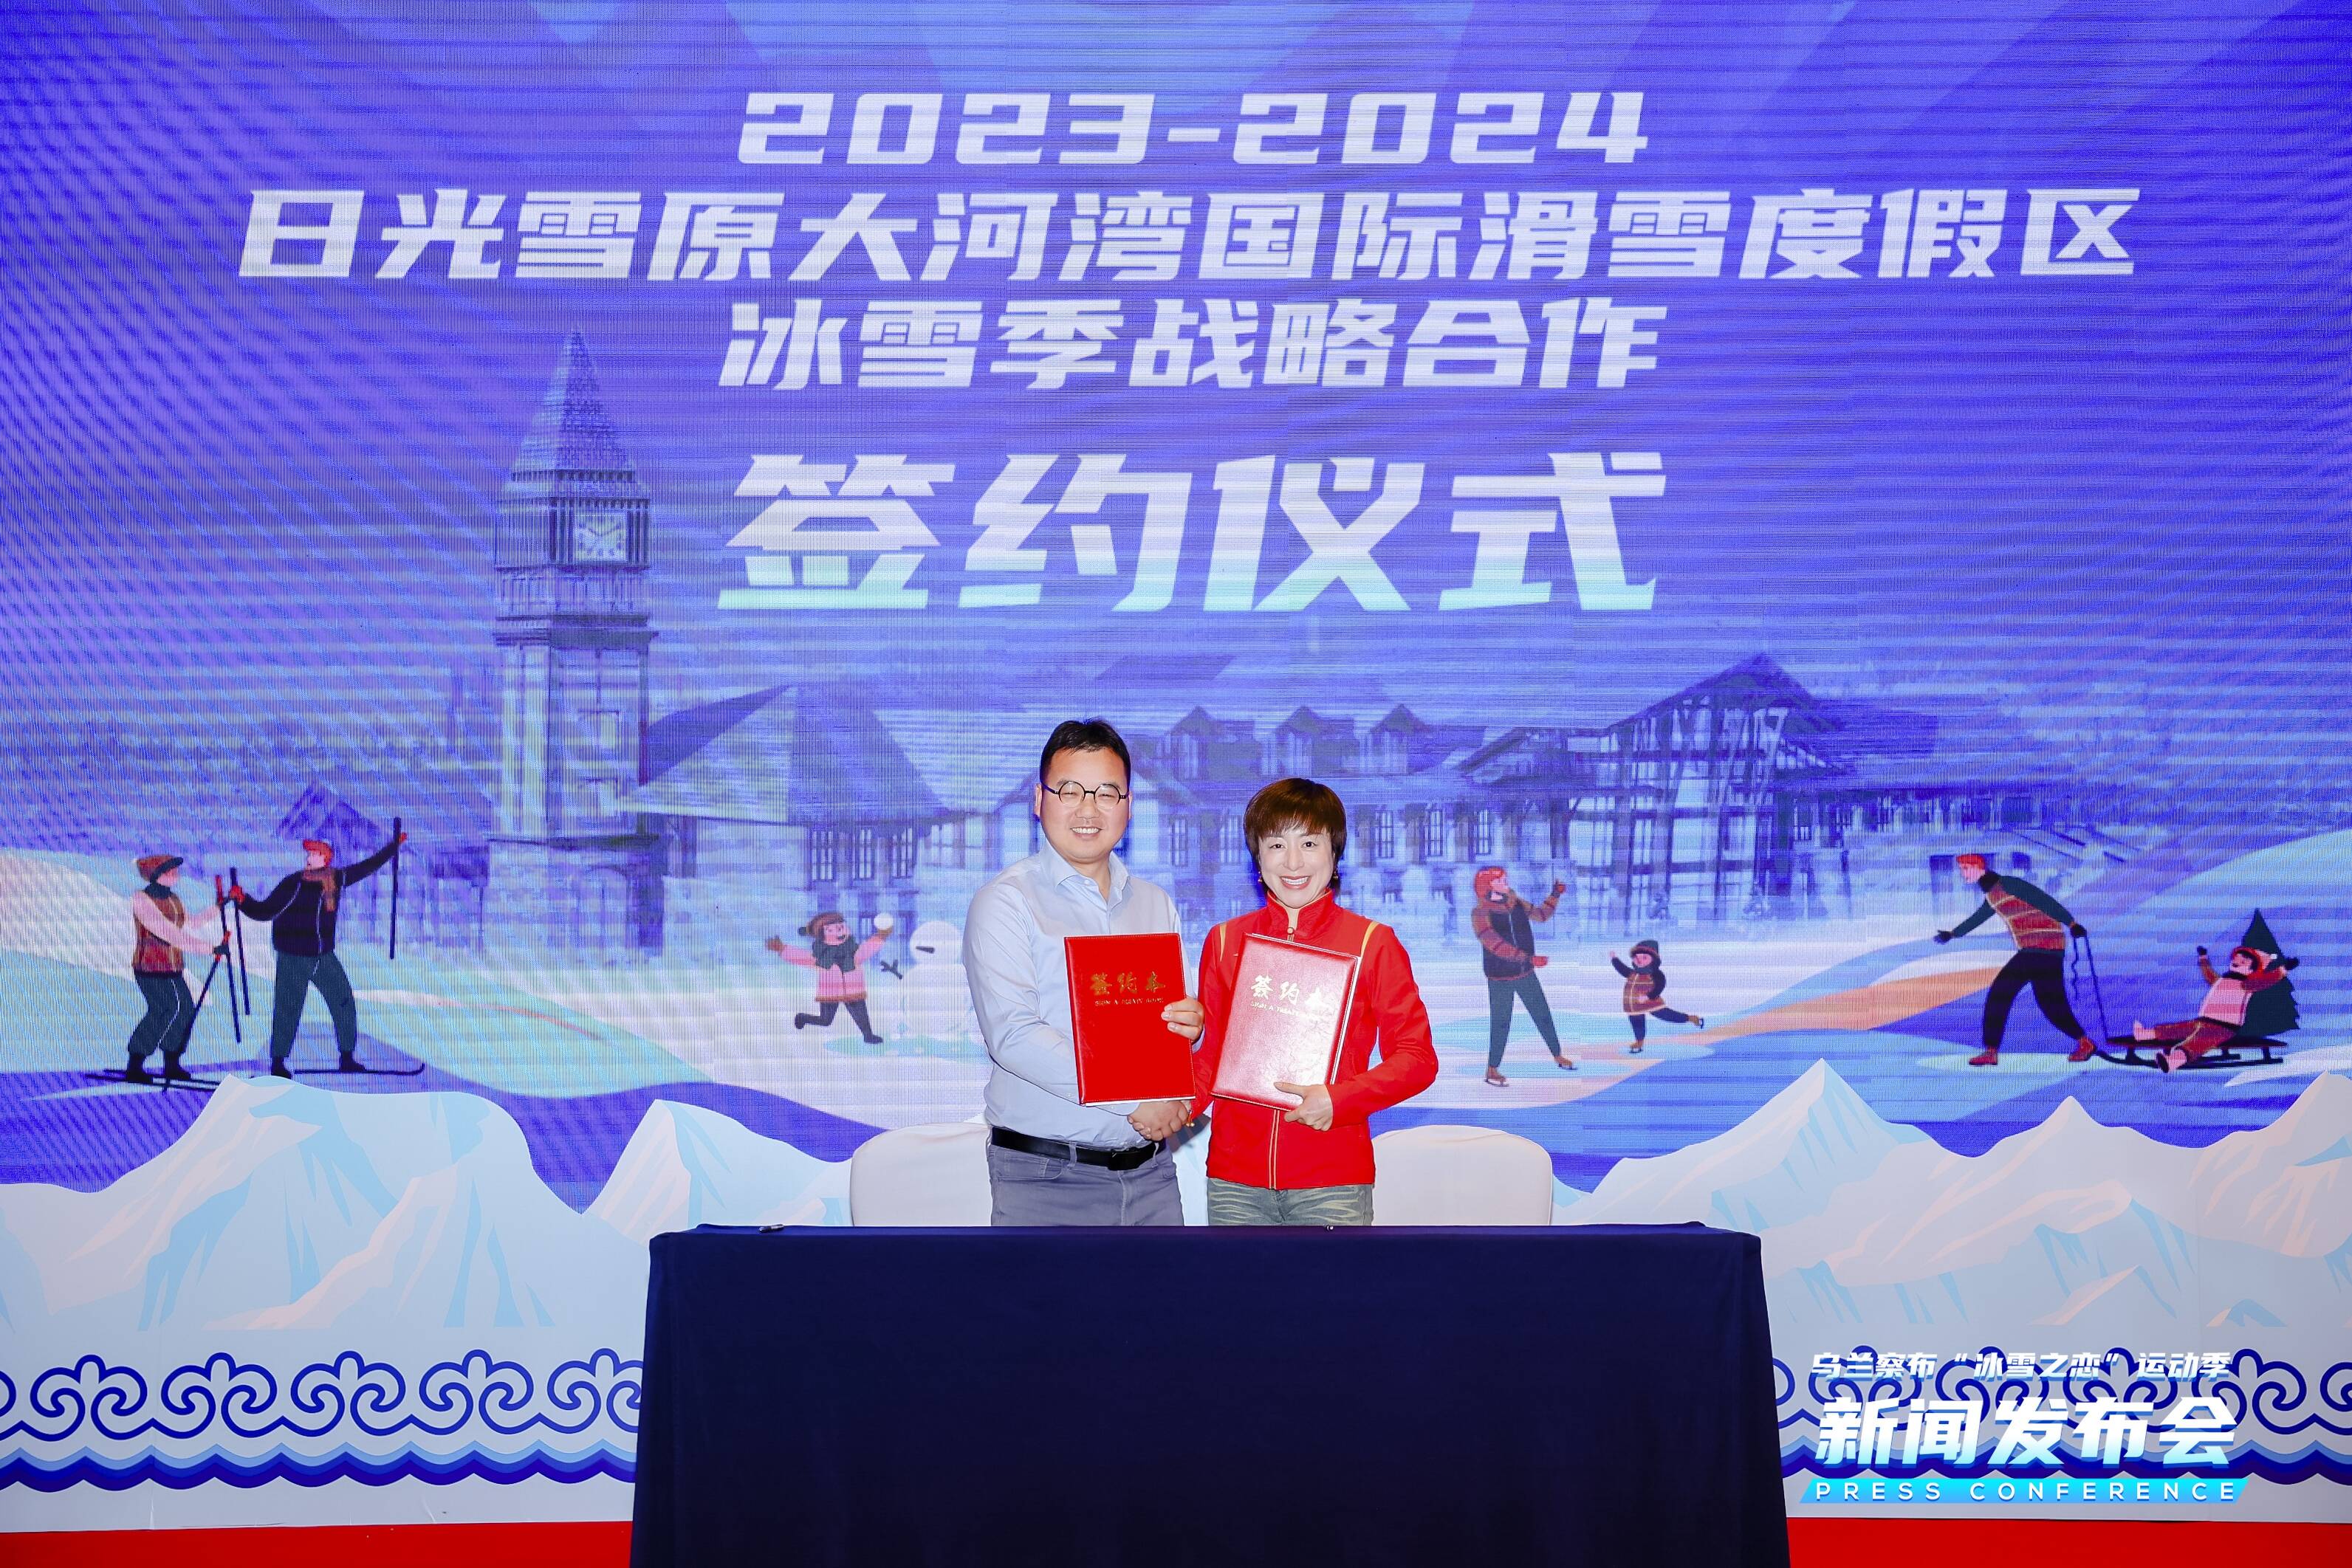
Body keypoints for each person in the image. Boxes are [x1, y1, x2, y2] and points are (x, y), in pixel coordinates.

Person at [963, 719, 1205, 1225]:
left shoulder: (1155, 903)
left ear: (1129, 805)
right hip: (1047, 1179)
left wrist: (1191, 1026)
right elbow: (1014, 1035)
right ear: (1039, 800)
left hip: (1152, 1175)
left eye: (1107, 793)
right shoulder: (1006, 902)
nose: (1088, 809)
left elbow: (1173, 1027)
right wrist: (1133, 1099)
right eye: (1070, 791)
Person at [1187, 777, 1438, 1226]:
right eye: (1276, 845)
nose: (1293, 862)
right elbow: (1212, 1057)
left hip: (1332, 1180)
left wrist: (1340, 1099)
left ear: (1334, 853)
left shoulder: (1372, 943)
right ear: (1258, 857)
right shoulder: (1224, 941)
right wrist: (1175, 1106)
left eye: (1309, 843)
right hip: (1234, 1181)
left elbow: (1417, 1059)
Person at [230, 833, 403, 1078]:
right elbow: (265, 911)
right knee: (288, 1008)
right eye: (310, 852)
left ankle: (347, 1057)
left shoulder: (335, 879)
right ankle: (278, 1062)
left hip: (323, 956)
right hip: (294, 957)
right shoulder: (294, 883)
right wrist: (243, 900)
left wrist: (393, 847)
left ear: (326, 858)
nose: (310, 856)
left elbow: (368, 867)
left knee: (343, 1000)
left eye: (316, 852)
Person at [1933, 852, 2094, 1067]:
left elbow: (2043, 900)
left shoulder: (2009, 884)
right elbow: (1978, 919)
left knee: (2007, 996)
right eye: (1962, 869)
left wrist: (2071, 923)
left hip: (2045, 946)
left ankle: (1992, 1052)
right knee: (2046, 1002)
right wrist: (1952, 934)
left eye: (1966, 868)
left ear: (1980, 867)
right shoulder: (1992, 896)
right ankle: (2084, 1043)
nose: (1963, 873)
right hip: (2032, 949)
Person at [123, 855, 228, 1083]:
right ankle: (136, 1062)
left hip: (173, 966)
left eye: (175, 872)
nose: (175, 876)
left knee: (186, 1010)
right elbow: (169, 933)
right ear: (156, 875)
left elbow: (192, 923)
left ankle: (172, 1061)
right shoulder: (142, 899)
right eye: (170, 872)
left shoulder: (174, 899)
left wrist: (219, 908)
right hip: (149, 966)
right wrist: (210, 949)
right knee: (163, 1009)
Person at [1472, 865, 1571, 1085]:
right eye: (1499, 880)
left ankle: (1557, 1055)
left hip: (1525, 972)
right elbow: (1495, 944)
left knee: (1542, 1013)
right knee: (1501, 1021)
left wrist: (1555, 895)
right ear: (1488, 886)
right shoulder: (1481, 913)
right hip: (1500, 977)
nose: (1505, 882)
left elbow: (1541, 915)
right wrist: (1528, 958)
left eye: (1504, 879)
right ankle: (1492, 1068)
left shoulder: (1515, 902)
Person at [2133, 943, 2297, 1073]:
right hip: (2204, 1020)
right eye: (2237, 959)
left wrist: (2283, 969)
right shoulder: (2222, 980)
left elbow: (2267, 981)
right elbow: (2208, 974)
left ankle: (2173, 1062)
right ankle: (2146, 1034)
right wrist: (2203, 958)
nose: (2237, 962)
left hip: (2223, 1027)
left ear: (2251, 970)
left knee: (2198, 1043)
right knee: (2178, 1029)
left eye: (2243, 962)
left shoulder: (2247, 984)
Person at [767, 910, 887, 1044]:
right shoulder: (821, 957)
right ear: (822, 936)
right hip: (830, 992)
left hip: (854, 990)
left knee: (862, 1016)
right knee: (825, 1021)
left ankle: (868, 1036)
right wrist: (783, 949)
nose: (839, 931)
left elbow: (867, 949)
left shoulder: (853, 952)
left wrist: (880, 936)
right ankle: (803, 1018)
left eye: (841, 927)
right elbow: (802, 957)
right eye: (830, 930)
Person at [1611, 940, 1704, 1052]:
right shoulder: (1633, 973)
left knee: (1668, 1016)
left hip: (1652, 1003)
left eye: (1644, 958)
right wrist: (1614, 959)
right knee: (1637, 1023)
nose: (1639, 961)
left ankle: (1691, 1018)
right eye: (1636, 957)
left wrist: (1649, 996)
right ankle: (1639, 1042)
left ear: (1653, 959)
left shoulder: (1656, 974)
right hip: (1633, 1006)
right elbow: (1622, 969)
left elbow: (1660, 987)